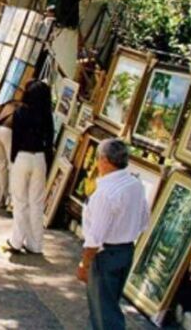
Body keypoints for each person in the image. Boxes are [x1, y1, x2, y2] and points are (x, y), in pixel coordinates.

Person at [77, 139, 149, 330]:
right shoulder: (135, 185)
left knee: (104, 313)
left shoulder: (106, 193)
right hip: (125, 250)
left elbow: (95, 237)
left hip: (106, 254)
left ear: (105, 160)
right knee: (108, 305)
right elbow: (143, 221)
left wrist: (85, 263)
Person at [4, 80, 54, 254]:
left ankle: (16, 240)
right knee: (37, 203)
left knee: (20, 201)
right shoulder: (47, 115)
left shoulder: (20, 112)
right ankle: (36, 244)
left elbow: (15, 138)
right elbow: (50, 142)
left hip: (22, 156)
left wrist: (12, 159)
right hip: (39, 158)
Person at [0, 100, 22, 209]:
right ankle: (11, 200)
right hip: (8, 130)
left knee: (2, 165)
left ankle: (2, 196)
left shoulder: (9, 103)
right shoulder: (21, 106)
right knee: (12, 165)